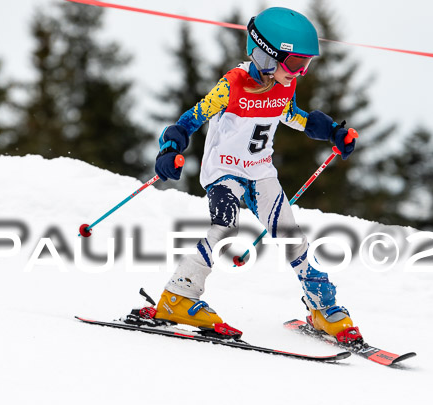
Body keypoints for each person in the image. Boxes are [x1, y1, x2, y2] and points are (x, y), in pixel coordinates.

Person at [138, 7, 361, 343]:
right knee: (226, 226)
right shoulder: (232, 85)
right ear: (267, 56)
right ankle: (178, 296)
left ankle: (321, 307)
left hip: (260, 172)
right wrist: (169, 149)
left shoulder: (284, 85)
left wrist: (332, 132)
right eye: (296, 63)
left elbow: (295, 116)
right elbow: (191, 119)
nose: (300, 72)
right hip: (224, 170)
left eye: (306, 64)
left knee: (290, 234)